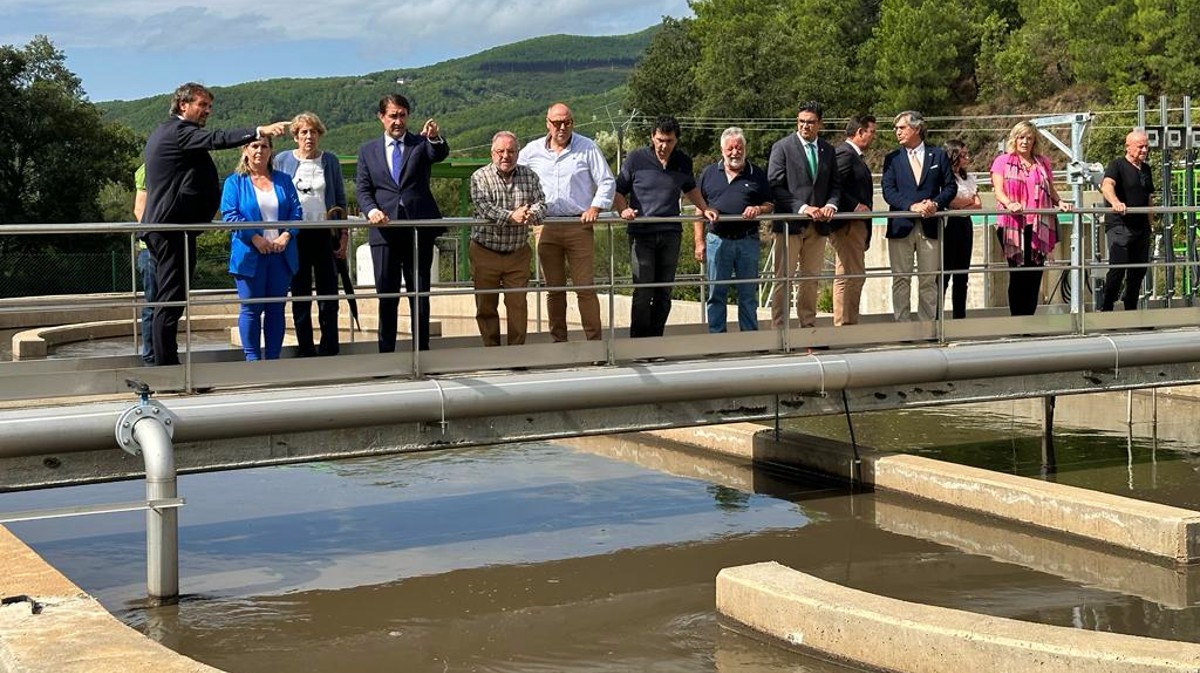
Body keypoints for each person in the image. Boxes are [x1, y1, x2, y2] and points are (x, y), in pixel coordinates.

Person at [141, 82, 289, 366]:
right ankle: (167, 369)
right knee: (169, 300)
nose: (207, 111)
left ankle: (166, 364)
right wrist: (260, 130)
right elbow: (217, 138)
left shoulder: (171, 132)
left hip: (173, 228)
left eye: (209, 106)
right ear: (183, 105)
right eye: (202, 105)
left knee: (170, 298)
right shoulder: (179, 131)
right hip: (171, 229)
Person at [356, 94, 449, 352]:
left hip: (418, 231)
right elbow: (363, 190)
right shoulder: (367, 150)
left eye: (402, 115)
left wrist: (433, 136)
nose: (398, 121)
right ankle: (386, 354)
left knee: (419, 294)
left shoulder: (421, 143)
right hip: (384, 232)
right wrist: (371, 210)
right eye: (392, 116)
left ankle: (422, 352)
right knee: (387, 296)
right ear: (381, 117)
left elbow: (438, 152)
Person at [613, 116, 718, 338]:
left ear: (676, 140)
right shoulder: (635, 159)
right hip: (641, 235)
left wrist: (705, 208)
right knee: (643, 290)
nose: (664, 145)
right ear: (652, 137)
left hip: (671, 233)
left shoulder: (682, 161)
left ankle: (656, 340)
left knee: (664, 291)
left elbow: (690, 188)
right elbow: (618, 190)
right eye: (660, 140)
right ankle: (639, 343)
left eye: (669, 141)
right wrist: (623, 211)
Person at [518, 103, 615, 342]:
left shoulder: (587, 147)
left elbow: (607, 181)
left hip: (578, 226)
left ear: (573, 122)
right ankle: (558, 342)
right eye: (557, 123)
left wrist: (595, 206)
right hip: (545, 226)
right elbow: (515, 176)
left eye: (567, 122)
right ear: (547, 123)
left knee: (585, 288)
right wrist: (523, 207)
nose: (562, 127)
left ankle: (595, 343)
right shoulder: (531, 151)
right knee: (554, 290)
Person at [221, 137, 302, 361]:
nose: (259, 150)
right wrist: (255, 238)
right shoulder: (234, 182)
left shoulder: (284, 180)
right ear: (244, 150)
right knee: (251, 309)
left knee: (276, 309)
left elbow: (296, 213)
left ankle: (273, 360)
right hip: (249, 256)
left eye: (264, 146)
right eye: (254, 146)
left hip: (280, 254)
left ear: (271, 151)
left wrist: (286, 236)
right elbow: (230, 215)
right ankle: (252, 360)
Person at [273, 112, 347, 357]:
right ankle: (305, 348)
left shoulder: (330, 161)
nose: (309, 136)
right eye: (304, 132)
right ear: (295, 136)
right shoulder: (282, 160)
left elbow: (340, 199)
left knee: (329, 293)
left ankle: (330, 347)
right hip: (296, 234)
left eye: (313, 132)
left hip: (325, 233)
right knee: (300, 292)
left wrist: (343, 234)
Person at [767, 101, 841, 329]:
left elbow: (836, 185)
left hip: (819, 226)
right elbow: (774, 185)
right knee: (783, 279)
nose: (805, 127)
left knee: (811, 279)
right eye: (801, 122)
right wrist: (802, 208)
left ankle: (808, 327)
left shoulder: (828, 150)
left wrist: (831, 205)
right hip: (790, 224)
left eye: (810, 122)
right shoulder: (782, 147)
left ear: (820, 124)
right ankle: (779, 329)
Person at [468, 131, 546, 346]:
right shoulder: (479, 177)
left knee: (518, 304)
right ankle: (492, 350)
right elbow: (485, 209)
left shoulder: (530, 176)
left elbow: (542, 204)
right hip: (485, 250)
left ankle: (516, 352)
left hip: (518, 252)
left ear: (518, 153)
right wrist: (513, 216)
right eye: (500, 151)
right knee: (485, 305)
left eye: (511, 151)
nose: (506, 156)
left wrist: (531, 213)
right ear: (492, 153)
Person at [693, 127, 773, 333]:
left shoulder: (757, 173)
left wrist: (758, 208)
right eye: (730, 148)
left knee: (747, 294)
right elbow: (698, 209)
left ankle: (749, 338)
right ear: (722, 150)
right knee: (716, 292)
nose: (735, 152)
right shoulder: (709, 173)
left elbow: (769, 204)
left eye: (739, 148)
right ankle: (717, 338)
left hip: (747, 241)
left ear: (745, 149)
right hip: (717, 240)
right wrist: (699, 242)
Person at [881, 110, 957, 322]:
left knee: (928, 279)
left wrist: (935, 203)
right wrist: (911, 206)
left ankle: (927, 326)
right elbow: (888, 191)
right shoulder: (892, 159)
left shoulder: (938, 155)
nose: (897, 132)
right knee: (901, 279)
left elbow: (950, 187)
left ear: (916, 129)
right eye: (896, 128)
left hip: (930, 225)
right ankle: (903, 325)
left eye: (902, 127)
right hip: (901, 226)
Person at [990, 121, 1073, 316]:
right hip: (1012, 225)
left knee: (1035, 273)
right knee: (1018, 274)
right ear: (1015, 139)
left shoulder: (1042, 162)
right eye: (1021, 137)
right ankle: (1017, 318)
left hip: (1039, 225)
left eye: (1029, 137)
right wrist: (1010, 204)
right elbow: (998, 191)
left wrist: (1060, 202)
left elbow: (1050, 188)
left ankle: (1029, 318)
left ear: (1034, 140)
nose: (1025, 142)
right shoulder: (1002, 161)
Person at [1099, 130, 1155, 312]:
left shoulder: (1146, 169)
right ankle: (1107, 308)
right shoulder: (1117, 165)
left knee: (1138, 270)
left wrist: (1151, 224)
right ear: (1128, 147)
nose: (1144, 150)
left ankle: (1130, 307)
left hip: (1142, 228)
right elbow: (1106, 185)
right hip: (1120, 226)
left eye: (1146, 146)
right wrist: (1115, 202)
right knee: (1118, 268)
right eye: (1140, 146)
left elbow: (1148, 198)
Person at [831, 115, 877, 326]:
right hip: (848, 225)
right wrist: (853, 206)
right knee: (849, 275)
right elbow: (833, 185)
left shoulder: (854, 156)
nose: (873, 137)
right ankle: (844, 325)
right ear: (859, 132)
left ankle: (848, 323)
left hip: (856, 225)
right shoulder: (845, 154)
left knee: (854, 275)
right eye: (871, 132)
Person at [942, 139, 981, 320]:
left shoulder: (969, 178)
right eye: (963, 155)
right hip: (949, 225)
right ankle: (937, 318)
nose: (967, 159)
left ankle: (959, 317)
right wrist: (967, 202)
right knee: (944, 274)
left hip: (965, 224)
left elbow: (978, 205)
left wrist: (961, 206)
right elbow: (950, 201)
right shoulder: (945, 178)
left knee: (962, 274)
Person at [132, 164, 155, 364]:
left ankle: (165, 357)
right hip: (151, 248)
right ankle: (150, 359)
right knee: (153, 304)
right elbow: (140, 210)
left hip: (169, 247)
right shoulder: (146, 169)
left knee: (171, 306)